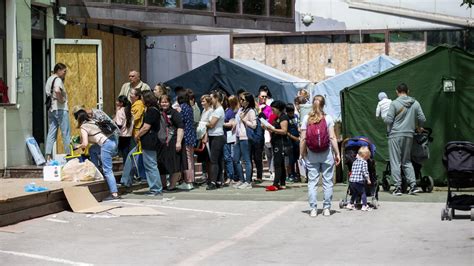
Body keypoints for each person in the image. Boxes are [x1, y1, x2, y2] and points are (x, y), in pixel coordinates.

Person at [300, 95, 340, 217]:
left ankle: (313, 209)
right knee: (327, 182)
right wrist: (337, 153)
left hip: (312, 154)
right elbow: (332, 137)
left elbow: (303, 138)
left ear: (312, 104)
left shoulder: (306, 118)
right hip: (326, 153)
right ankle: (326, 208)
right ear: (323, 105)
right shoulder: (328, 118)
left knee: (312, 182)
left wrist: (302, 154)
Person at [384, 83, 426, 196]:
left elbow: (388, 121)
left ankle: (397, 188)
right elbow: (422, 118)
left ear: (397, 91)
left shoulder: (394, 103)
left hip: (395, 135)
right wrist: (420, 127)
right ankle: (413, 186)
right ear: (408, 90)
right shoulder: (415, 103)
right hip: (409, 134)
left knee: (395, 162)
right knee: (406, 161)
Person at [121, 91, 163, 196]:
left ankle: (156, 189)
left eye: (143, 98)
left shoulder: (152, 111)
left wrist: (137, 135)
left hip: (149, 141)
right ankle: (126, 181)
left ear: (147, 99)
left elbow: (146, 127)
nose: (141, 100)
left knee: (150, 165)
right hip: (147, 141)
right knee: (132, 157)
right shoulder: (152, 110)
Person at [73, 107, 119, 201]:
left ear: (78, 119)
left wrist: (77, 146)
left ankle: (114, 194)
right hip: (112, 141)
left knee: (107, 170)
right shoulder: (93, 121)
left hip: (106, 145)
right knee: (93, 150)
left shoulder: (83, 127)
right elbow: (94, 138)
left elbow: (85, 144)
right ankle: (96, 170)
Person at [156, 94, 186, 191]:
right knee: (161, 163)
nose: (164, 104)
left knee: (175, 164)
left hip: (173, 141)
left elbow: (180, 127)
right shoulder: (158, 112)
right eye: (162, 102)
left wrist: (178, 142)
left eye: (166, 102)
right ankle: (163, 185)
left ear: (169, 103)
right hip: (162, 142)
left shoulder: (174, 113)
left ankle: (172, 185)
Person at [45, 63, 71, 160]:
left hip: (51, 109)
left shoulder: (49, 79)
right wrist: (61, 100)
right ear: (59, 70)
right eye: (64, 71)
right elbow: (57, 90)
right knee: (66, 132)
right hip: (61, 109)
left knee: (51, 132)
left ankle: (48, 156)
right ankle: (69, 155)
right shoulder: (58, 80)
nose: (65, 74)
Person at [263, 100, 290, 191]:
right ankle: (282, 183)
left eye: (273, 109)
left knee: (278, 163)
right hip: (276, 142)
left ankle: (275, 184)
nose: (272, 111)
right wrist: (267, 128)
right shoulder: (277, 118)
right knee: (280, 164)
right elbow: (275, 129)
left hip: (281, 143)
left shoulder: (283, 117)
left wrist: (273, 130)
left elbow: (284, 131)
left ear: (278, 109)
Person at [233, 92, 257, 189]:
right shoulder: (240, 109)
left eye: (243, 100)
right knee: (236, 159)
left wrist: (244, 120)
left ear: (248, 101)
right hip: (238, 137)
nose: (241, 101)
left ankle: (248, 181)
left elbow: (254, 125)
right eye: (240, 99)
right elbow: (236, 121)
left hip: (246, 137)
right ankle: (242, 179)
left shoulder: (251, 111)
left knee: (246, 160)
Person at [205, 91, 226, 190]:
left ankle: (213, 182)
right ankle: (218, 180)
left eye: (212, 98)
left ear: (217, 98)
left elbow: (212, 124)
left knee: (214, 160)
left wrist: (204, 123)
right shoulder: (215, 109)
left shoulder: (218, 110)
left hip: (217, 136)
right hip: (215, 136)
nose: (210, 100)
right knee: (217, 160)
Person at [176, 91, 197, 190]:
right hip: (192, 135)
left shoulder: (182, 107)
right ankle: (191, 180)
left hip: (186, 135)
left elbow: (181, 121)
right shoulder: (189, 107)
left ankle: (188, 181)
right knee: (191, 158)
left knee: (187, 158)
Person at [346, 146, 372, 211]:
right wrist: (368, 179)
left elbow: (352, 171)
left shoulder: (355, 162)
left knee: (355, 192)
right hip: (359, 181)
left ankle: (350, 204)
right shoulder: (364, 162)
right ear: (366, 156)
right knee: (363, 192)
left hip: (352, 181)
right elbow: (365, 172)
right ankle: (364, 205)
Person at [257, 85, 275, 180]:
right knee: (258, 155)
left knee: (269, 153)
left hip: (266, 133)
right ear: (258, 97)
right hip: (257, 134)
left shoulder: (269, 108)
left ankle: (272, 171)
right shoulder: (256, 107)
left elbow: (269, 120)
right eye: (262, 96)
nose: (264, 98)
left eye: (265, 96)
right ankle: (259, 176)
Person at [223, 95, 239, 185]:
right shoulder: (229, 110)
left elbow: (232, 124)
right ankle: (232, 176)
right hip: (228, 136)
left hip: (231, 136)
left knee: (231, 157)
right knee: (229, 157)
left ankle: (232, 176)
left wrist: (222, 123)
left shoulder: (233, 112)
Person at [113, 95, 134, 164]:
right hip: (129, 134)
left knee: (121, 153)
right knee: (126, 152)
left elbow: (119, 124)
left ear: (121, 103)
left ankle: (125, 169)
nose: (116, 102)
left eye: (117, 101)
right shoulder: (130, 111)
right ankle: (127, 167)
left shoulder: (120, 111)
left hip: (122, 135)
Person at [286, 103, 300, 182]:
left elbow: (297, 126)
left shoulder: (295, 116)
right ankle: (291, 174)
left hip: (296, 140)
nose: (292, 114)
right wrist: (293, 137)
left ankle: (297, 174)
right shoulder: (286, 118)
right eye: (290, 112)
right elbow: (286, 131)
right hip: (290, 140)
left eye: (292, 112)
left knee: (296, 158)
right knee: (290, 159)